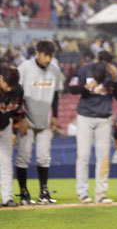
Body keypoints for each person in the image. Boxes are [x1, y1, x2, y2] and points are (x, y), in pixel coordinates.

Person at [68, 51, 117, 204]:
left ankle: (101, 193)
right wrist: (85, 87)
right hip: (85, 116)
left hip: (104, 118)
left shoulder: (114, 73)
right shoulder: (85, 69)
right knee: (84, 156)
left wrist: (116, 79)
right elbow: (72, 88)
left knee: (103, 157)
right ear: (97, 59)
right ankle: (82, 193)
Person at [16, 40, 63, 205]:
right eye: (45, 55)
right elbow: (16, 93)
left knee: (44, 157)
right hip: (26, 119)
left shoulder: (55, 70)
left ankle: (44, 192)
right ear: (38, 53)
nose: (48, 59)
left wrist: (55, 116)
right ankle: (23, 193)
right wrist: (20, 117)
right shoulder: (25, 68)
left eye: (51, 56)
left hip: (45, 119)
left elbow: (56, 95)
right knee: (23, 157)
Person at [0, 65, 24, 207]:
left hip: (5, 127)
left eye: (12, 86)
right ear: (1, 79)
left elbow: (17, 113)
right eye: (8, 86)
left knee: (6, 163)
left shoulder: (18, 90)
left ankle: (7, 198)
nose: (10, 89)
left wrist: (14, 132)